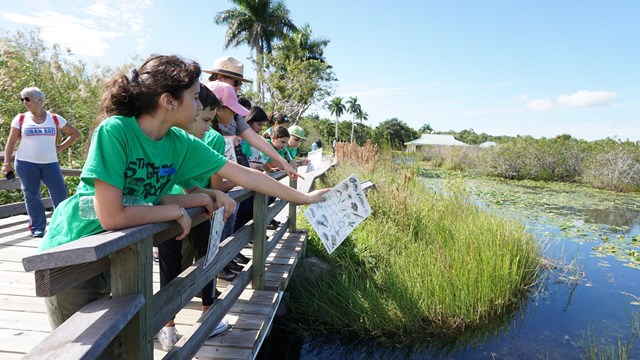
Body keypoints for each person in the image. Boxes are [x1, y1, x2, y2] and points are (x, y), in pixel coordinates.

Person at [38, 55, 329, 334]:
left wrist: (305, 198)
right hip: (74, 254)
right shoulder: (116, 131)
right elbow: (112, 214)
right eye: (193, 97)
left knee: (118, 343)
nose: (199, 103)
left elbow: (244, 175)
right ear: (168, 101)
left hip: (119, 256)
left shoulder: (179, 142)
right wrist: (174, 211)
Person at [159, 84, 233, 349]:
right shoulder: (209, 139)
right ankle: (207, 313)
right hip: (199, 211)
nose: (205, 125)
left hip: (168, 210)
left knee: (170, 268)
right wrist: (212, 194)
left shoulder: (168, 136)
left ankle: (167, 327)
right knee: (207, 260)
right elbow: (219, 178)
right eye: (204, 118)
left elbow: (183, 180)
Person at [2, 87, 81, 237]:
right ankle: (37, 228)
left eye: (27, 99)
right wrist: (6, 163)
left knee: (60, 193)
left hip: (50, 163)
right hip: (26, 163)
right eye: (22, 99)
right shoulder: (20, 118)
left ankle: (62, 226)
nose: (24, 102)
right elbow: (11, 142)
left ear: (39, 100)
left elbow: (75, 134)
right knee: (31, 195)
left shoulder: (55, 118)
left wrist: (59, 148)